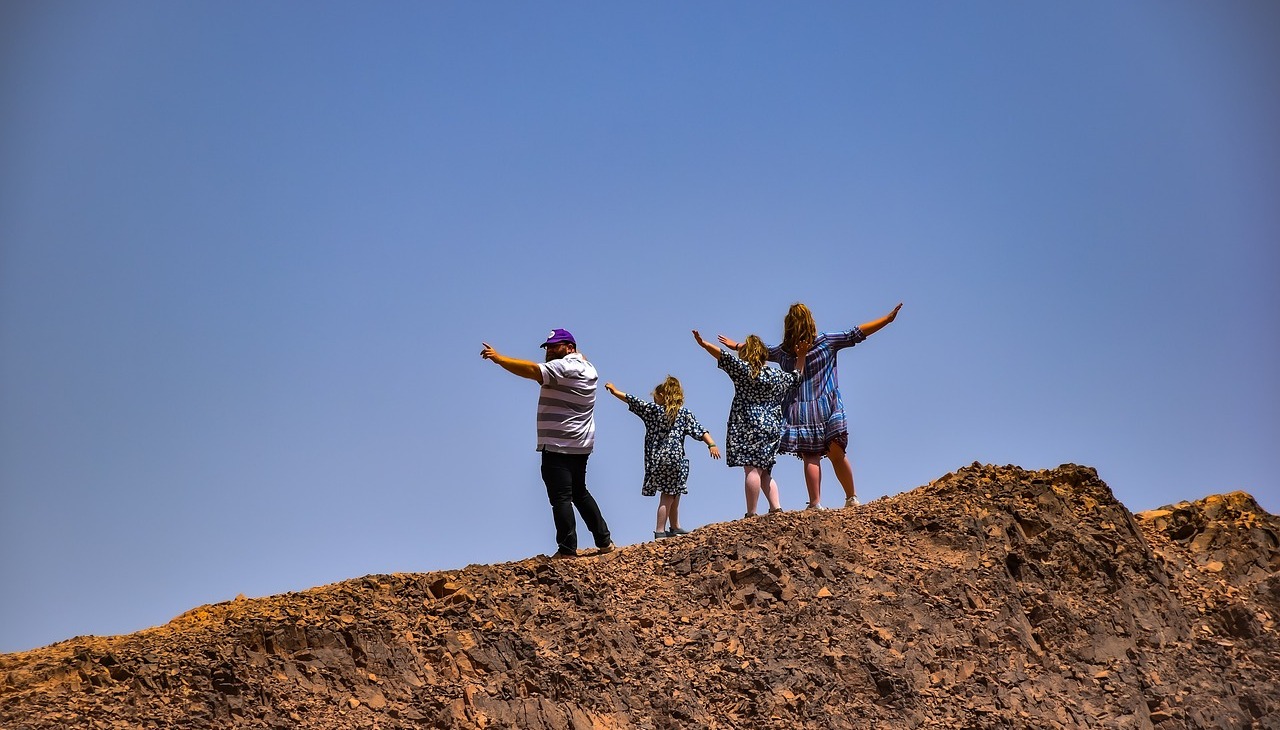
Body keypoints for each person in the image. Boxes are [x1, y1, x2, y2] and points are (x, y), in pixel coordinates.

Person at [718, 302, 902, 510]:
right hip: (827, 404)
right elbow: (856, 334)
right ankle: (852, 497)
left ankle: (815, 502)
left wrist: (736, 346)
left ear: (788, 325)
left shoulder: (783, 352)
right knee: (837, 453)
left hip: (801, 410)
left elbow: (759, 351)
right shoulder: (826, 341)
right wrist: (886, 320)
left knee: (811, 455)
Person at [480, 328, 614, 559]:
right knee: (579, 493)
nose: (549, 350)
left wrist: (499, 359)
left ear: (570, 347)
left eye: (555, 346)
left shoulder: (563, 367)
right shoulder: (589, 368)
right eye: (548, 347)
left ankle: (567, 550)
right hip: (580, 444)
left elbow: (533, 370)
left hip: (558, 444)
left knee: (561, 497)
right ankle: (604, 541)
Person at [692, 329, 809, 518]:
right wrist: (801, 356)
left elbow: (722, 356)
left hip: (747, 424)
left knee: (752, 469)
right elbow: (796, 376)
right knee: (765, 470)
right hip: (771, 426)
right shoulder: (777, 375)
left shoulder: (744, 370)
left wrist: (704, 344)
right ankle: (776, 508)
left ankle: (751, 513)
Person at [604, 376, 721, 541]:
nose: (653, 398)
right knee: (672, 493)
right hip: (676, 459)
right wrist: (712, 445)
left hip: (658, 459)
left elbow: (633, 400)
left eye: (655, 395)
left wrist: (615, 391)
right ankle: (669, 528)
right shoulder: (684, 413)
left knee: (670, 494)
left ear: (662, 396)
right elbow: (700, 430)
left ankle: (665, 529)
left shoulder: (654, 411)